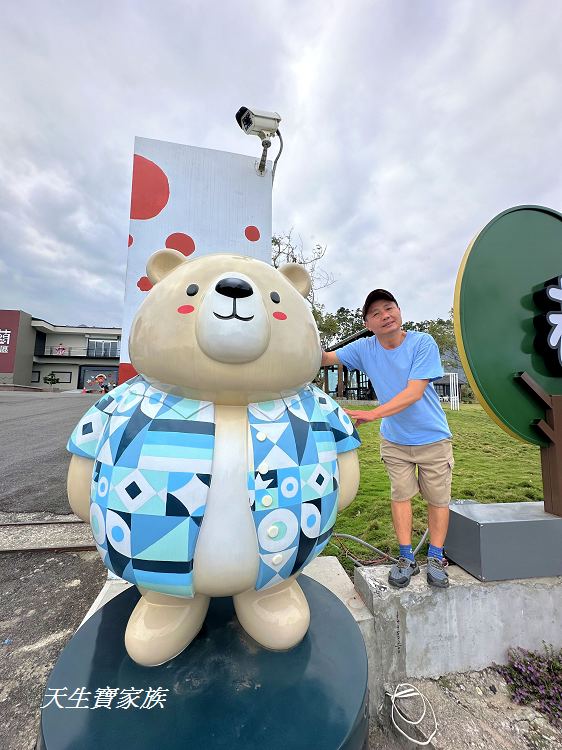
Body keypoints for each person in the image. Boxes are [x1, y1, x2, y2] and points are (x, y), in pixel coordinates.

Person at [321, 289, 453, 589]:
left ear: (399, 311)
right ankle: (406, 558)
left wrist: (374, 413)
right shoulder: (366, 348)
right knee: (400, 496)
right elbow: (325, 357)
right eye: (376, 313)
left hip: (433, 437)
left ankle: (435, 557)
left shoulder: (422, 343)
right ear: (368, 324)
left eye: (389, 308)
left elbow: (414, 392)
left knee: (438, 499)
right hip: (395, 441)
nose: (385, 316)